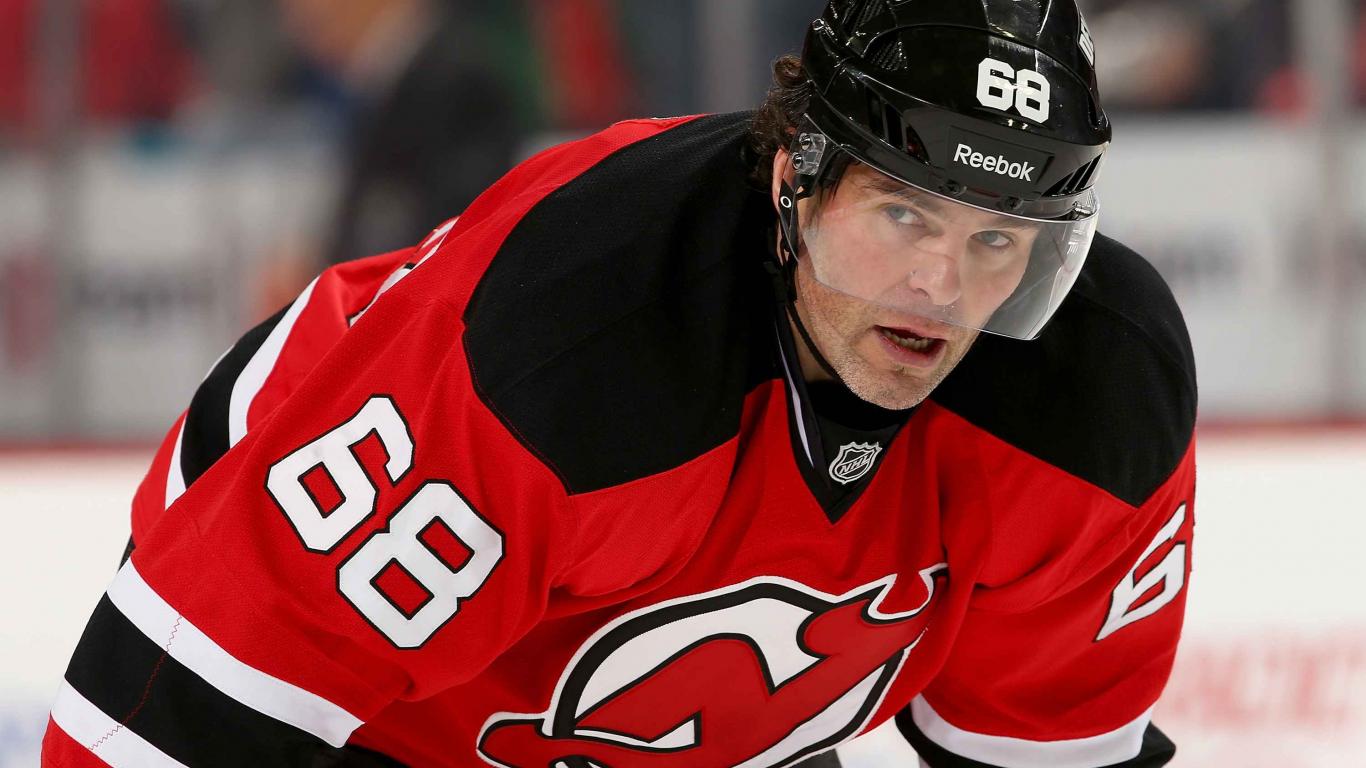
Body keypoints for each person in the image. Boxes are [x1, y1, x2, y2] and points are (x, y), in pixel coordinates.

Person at [42, 1, 1197, 766]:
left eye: (998, 239)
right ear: (793, 177)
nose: (940, 287)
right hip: (355, 672)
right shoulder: (565, 343)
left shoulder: (1092, 399)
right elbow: (163, 721)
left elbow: (1040, 750)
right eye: (904, 215)